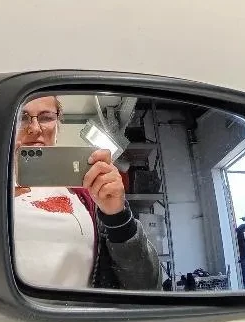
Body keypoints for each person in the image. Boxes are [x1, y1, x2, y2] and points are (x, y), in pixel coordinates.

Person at [11, 95, 162, 291]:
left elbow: (147, 285)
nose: (34, 128)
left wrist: (118, 217)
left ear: (58, 126)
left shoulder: (90, 193)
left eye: (46, 117)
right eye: (21, 118)